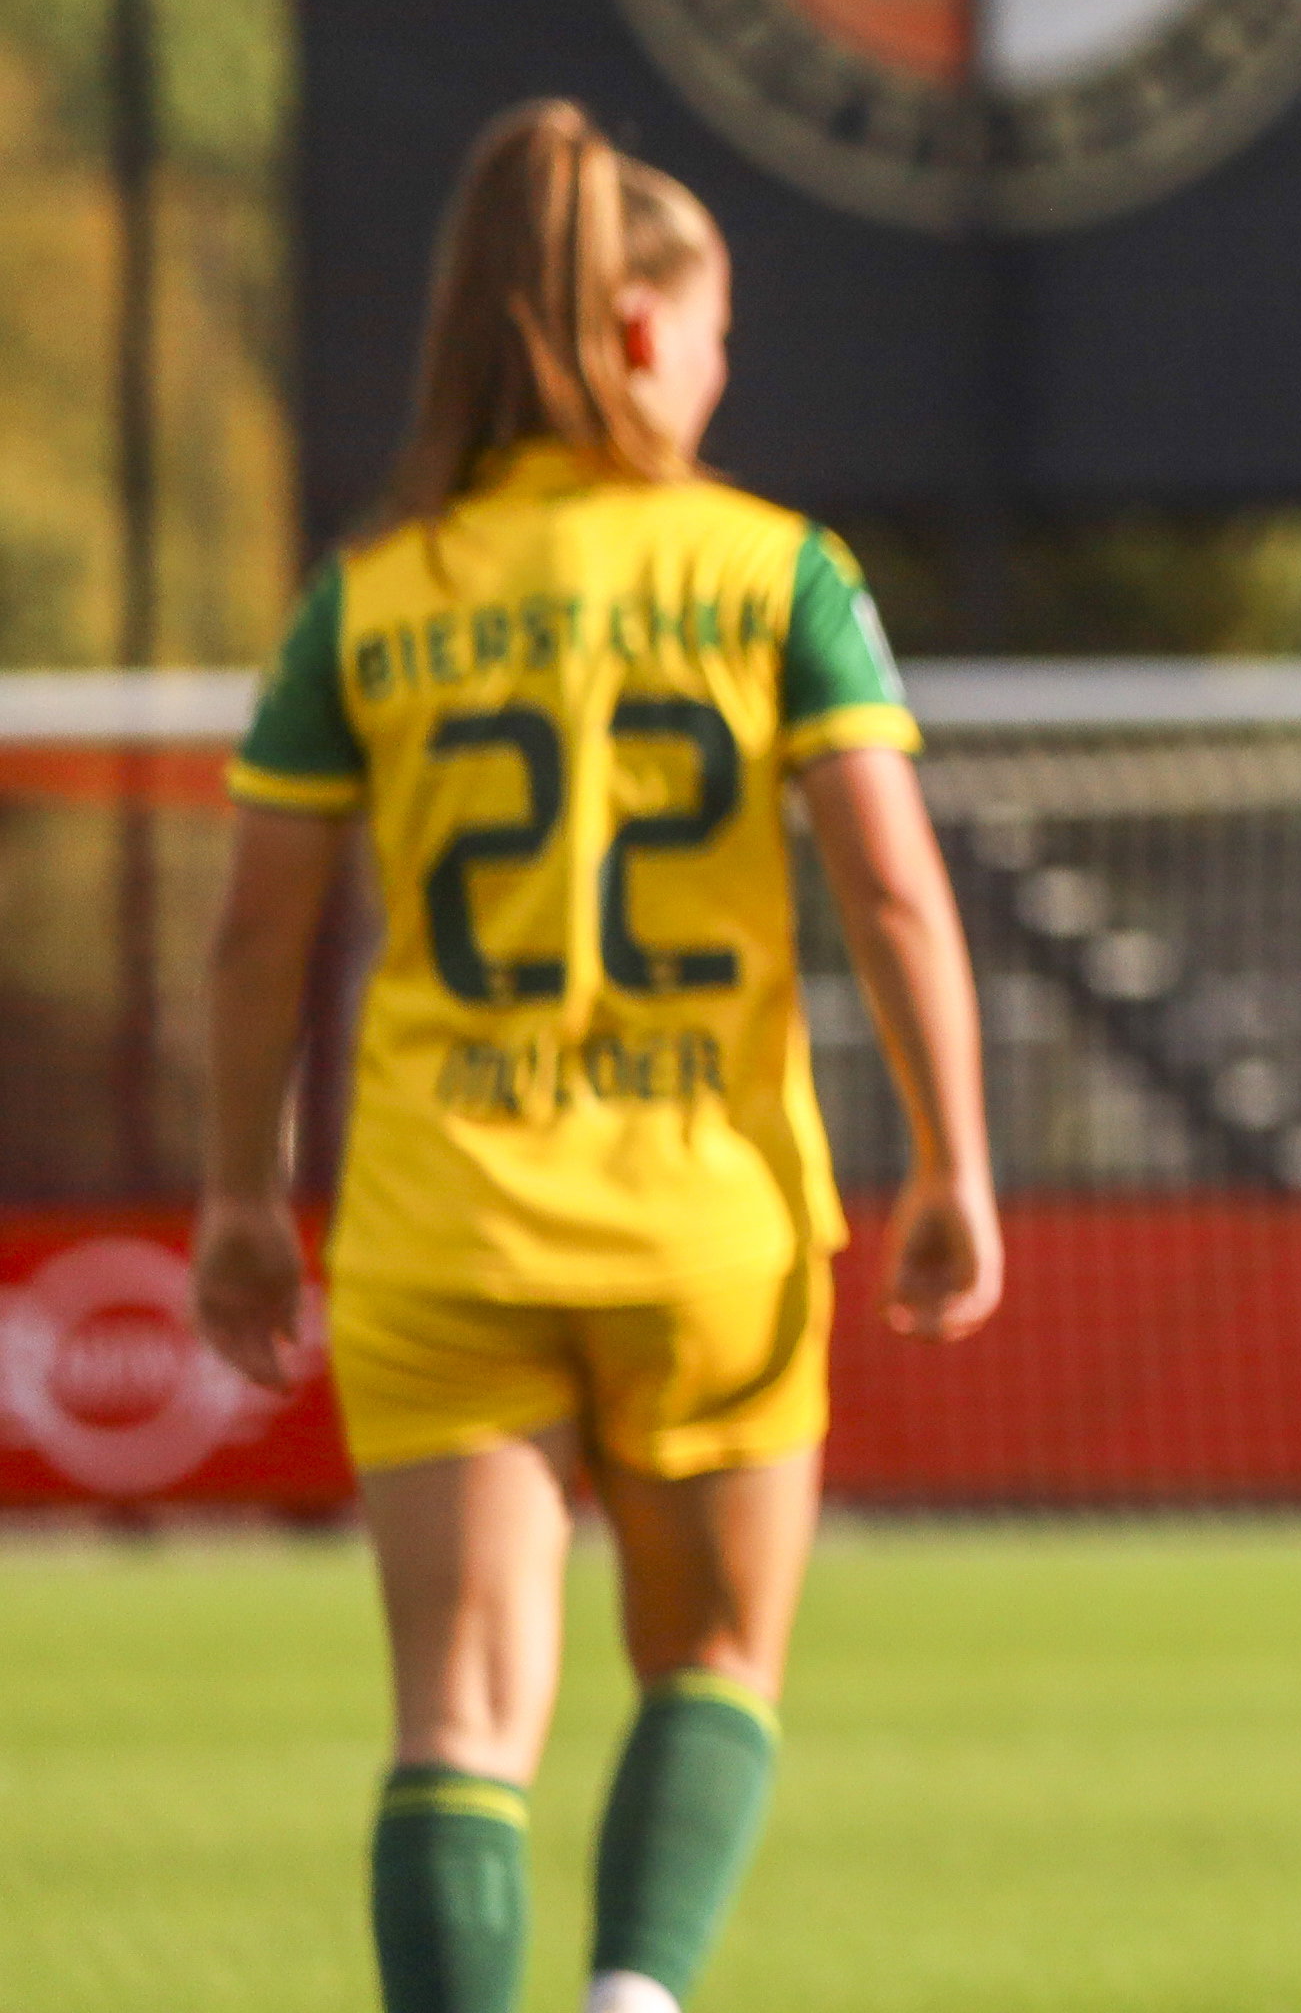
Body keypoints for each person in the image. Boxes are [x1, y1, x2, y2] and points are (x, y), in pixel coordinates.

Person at [192, 101, 1003, 2013]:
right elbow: (890, 893)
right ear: (645, 331)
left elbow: (254, 933)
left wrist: (238, 1193)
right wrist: (956, 1161)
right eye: (718, 331)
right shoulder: (774, 573)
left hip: (442, 1224)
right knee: (715, 1661)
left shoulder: (372, 591)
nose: (725, 370)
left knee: (460, 1717)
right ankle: (637, 1999)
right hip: (704, 1228)